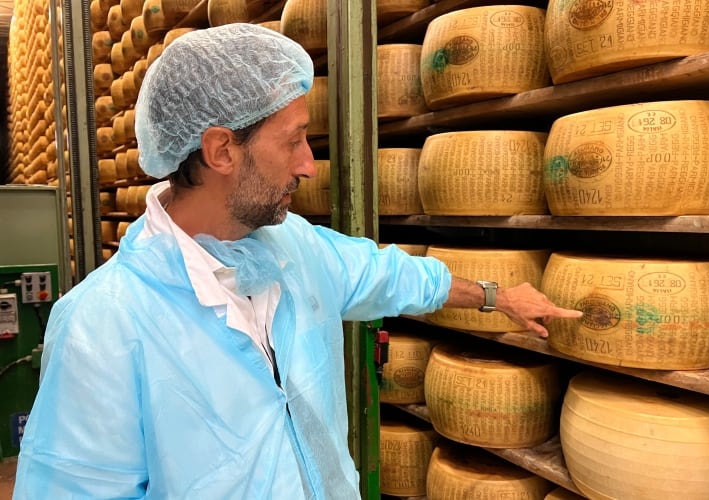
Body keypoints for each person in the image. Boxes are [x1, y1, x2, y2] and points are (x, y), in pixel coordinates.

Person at [13, 24, 581, 499]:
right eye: (295, 140)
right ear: (221, 150)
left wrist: (495, 296)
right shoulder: (102, 325)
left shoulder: (296, 250)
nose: (309, 165)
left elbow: (389, 275)